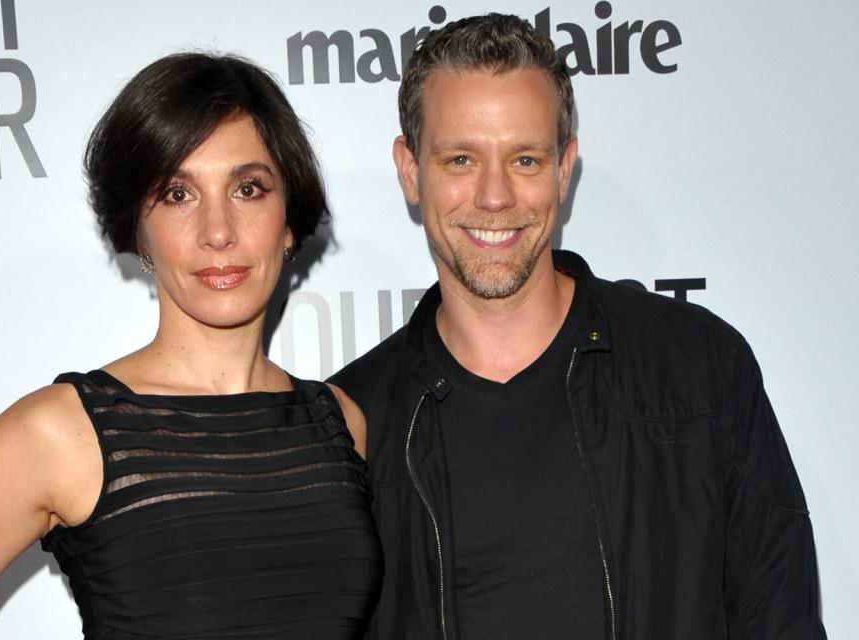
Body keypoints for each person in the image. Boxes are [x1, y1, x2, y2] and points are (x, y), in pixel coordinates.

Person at [330, 13, 826, 640]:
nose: (493, 196)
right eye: (460, 158)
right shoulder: (354, 422)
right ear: (409, 170)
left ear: (564, 170)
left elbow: (781, 619)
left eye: (526, 160)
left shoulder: (698, 366)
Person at [0, 53, 381, 639]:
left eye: (248, 188)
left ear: (288, 220)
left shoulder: (342, 425)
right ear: (139, 229)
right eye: (178, 194)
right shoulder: (59, 432)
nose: (218, 231)